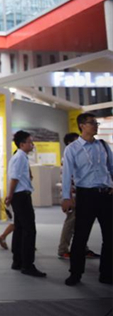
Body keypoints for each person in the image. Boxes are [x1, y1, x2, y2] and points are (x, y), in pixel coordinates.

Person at [62, 113, 112, 286]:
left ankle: (107, 273)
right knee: (81, 236)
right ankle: (75, 273)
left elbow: (111, 168)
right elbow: (67, 174)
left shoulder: (103, 146)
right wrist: (66, 197)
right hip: (86, 196)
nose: (96, 126)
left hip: (106, 195)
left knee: (110, 236)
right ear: (82, 125)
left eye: (96, 123)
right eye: (92, 123)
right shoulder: (72, 149)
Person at [5, 130, 46, 278]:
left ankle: (18, 261)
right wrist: (10, 195)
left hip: (19, 195)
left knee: (20, 228)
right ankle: (27, 265)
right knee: (29, 230)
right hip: (21, 196)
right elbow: (14, 178)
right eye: (30, 142)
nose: (32, 144)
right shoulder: (20, 157)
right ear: (22, 144)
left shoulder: (19, 157)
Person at [57, 132, 98, 260]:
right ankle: (63, 249)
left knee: (81, 223)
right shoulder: (68, 156)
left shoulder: (80, 155)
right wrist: (68, 197)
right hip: (73, 195)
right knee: (70, 222)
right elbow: (66, 179)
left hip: (82, 194)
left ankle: (83, 248)